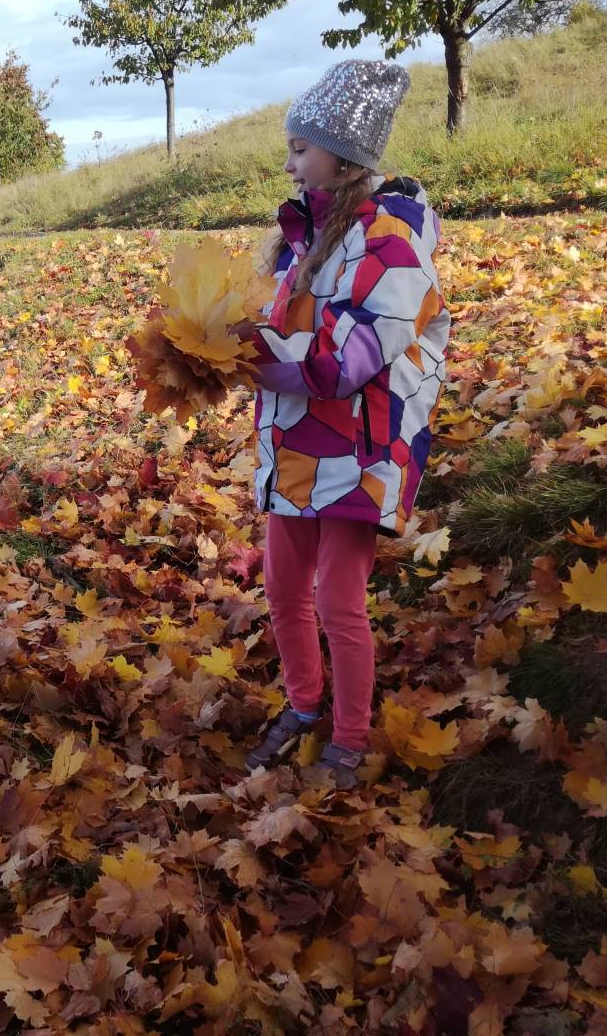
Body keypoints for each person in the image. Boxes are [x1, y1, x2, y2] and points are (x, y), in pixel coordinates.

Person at [234, 60, 451, 788]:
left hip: (359, 447)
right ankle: (303, 704)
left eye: (301, 149)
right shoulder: (304, 233)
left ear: (344, 155)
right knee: (283, 588)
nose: (289, 164)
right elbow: (283, 322)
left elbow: (347, 360)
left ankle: (350, 737)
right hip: (295, 440)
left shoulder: (390, 240)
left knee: (338, 601)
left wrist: (257, 360)